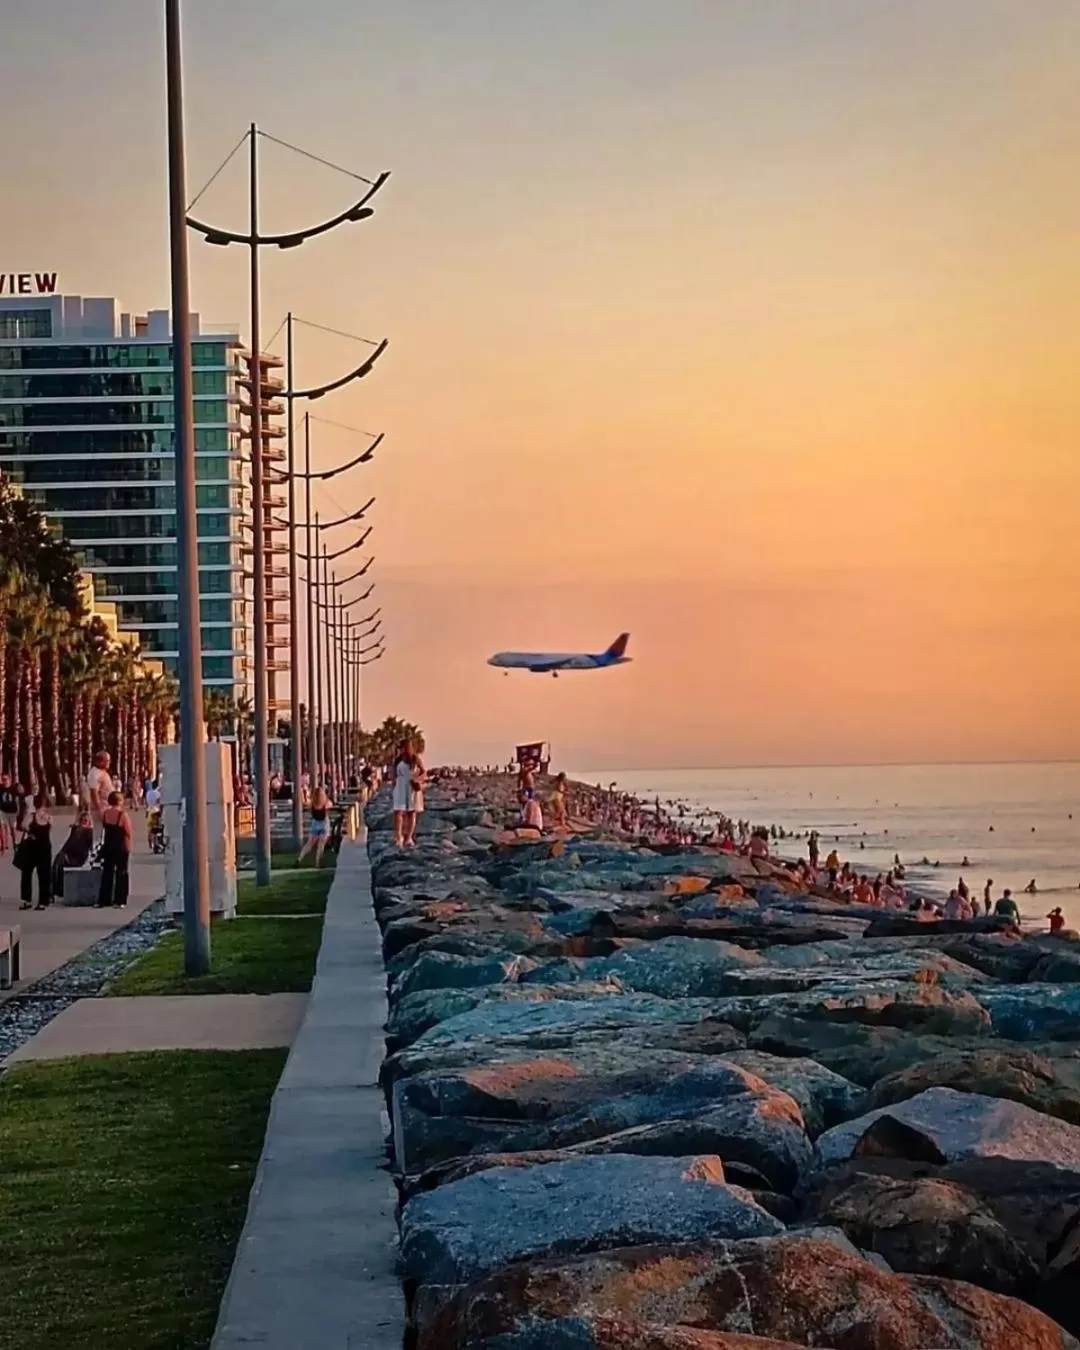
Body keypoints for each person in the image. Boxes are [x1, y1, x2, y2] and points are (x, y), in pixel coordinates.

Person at [16, 793, 52, 910]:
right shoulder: (49, 817)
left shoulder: (31, 816)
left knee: (26, 874)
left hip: (31, 848)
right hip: (45, 848)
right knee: (44, 875)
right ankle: (43, 901)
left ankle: (26, 900)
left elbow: (23, 826)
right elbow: (49, 828)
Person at [97, 790, 133, 908]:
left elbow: (104, 828)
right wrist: (129, 846)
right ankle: (120, 900)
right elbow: (128, 832)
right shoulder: (122, 815)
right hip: (121, 846)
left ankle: (104, 899)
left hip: (108, 846)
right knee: (121, 872)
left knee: (107, 872)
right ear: (119, 801)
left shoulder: (105, 814)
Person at [52, 810, 94, 899]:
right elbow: (68, 843)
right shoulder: (76, 829)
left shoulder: (89, 832)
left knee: (59, 861)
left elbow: (86, 848)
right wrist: (64, 852)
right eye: (83, 821)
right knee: (58, 860)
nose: (84, 823)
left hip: (78, 857)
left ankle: (56, 890)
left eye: (86, 821)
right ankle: (56, 888)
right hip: (70, 855)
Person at [392, 741, 426, 848]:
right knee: (398, 811)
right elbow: (394, 774)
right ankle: (398, 836)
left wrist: (417, 779)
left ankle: (409, 837)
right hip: (400, 785)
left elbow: (424, 772)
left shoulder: (415, 759)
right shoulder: (398, 760)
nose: (400, 750)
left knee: (412, 812)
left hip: (411, 786)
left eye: (401, 748)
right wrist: (394, 786)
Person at [298, 786, 331, 868]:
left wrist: (304, 794)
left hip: (315, 824)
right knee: (321, 845)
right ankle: (317, 862)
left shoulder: (312, 803)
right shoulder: (326, 804)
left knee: (309, 844)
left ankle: (300, 858)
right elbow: (331, 804)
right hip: (324, 823)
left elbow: (305, 802)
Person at [85, 750, 112, 839]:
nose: (109, 763)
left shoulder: (101, 772)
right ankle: (97, 850)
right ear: (100, 762)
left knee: (107, 834)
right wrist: (99, 809)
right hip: (101, 809)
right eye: (107, 761)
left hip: (107, 808)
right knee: (99, 834)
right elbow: (94, 793)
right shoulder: (95, 774)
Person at [0, 773, 17, 855]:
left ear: (9, 779)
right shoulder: (0, 788)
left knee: (13, 829)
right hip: (2, 811)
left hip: (12, 811)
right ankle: (3, 846)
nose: (4, 781)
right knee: (2, 826)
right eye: (2, 779)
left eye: (5, 779)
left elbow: (19, 798)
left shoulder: (14, 788)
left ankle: (15, 844)